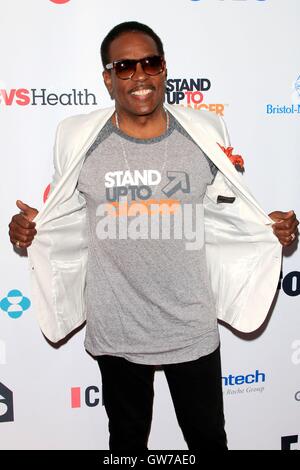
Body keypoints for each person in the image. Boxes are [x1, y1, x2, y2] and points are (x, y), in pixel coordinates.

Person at [8, 22, 299, 451]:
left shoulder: (205, 131)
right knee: (126, 444)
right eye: (124, 66)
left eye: (150, 62)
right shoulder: (77, 136)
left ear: (164, 70)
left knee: (208, 441)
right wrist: (32, 228)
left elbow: (228, 207)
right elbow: (64, 213)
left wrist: (269, 227)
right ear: (108, 78)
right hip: (116, 325)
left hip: (191, 322)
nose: (139, 75)